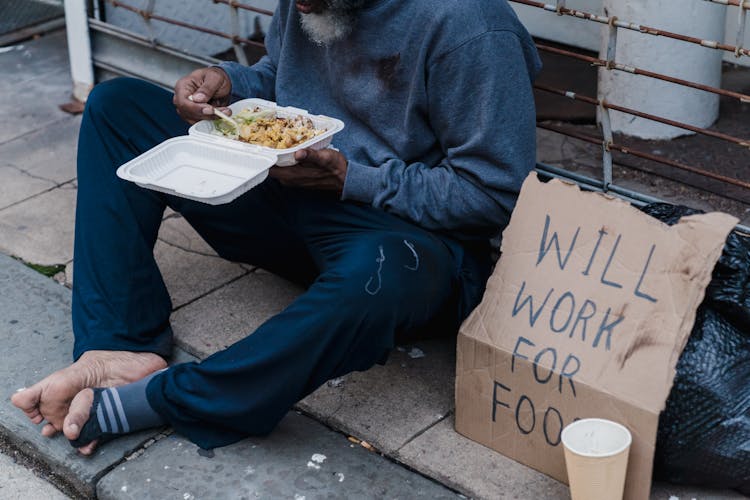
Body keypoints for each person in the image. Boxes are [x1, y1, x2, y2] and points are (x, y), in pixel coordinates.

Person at [12, 0, 541, 453]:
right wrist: (229, 86)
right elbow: (282, 82)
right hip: (297, 194)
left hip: (397, 238)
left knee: (380, 276)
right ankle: (118, 346)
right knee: (116, 106)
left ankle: (175, 397)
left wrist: (354, 181)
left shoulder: (471, 26)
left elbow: (493, 193)